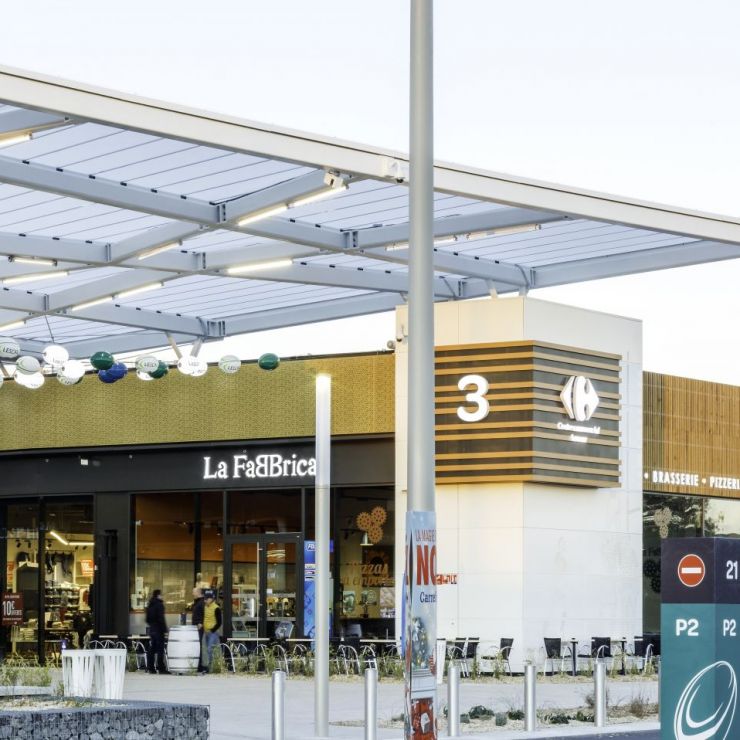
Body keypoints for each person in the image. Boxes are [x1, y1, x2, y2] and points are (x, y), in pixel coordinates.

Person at [145, 589, 170, 674]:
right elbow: (161, 618)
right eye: (161, 595)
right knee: (160, 650)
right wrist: (165, 630)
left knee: (152, 649)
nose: (162, 596)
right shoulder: (159, 604)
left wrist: (152, 625)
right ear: (158, 595)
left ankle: (151, 668)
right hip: (159, 630)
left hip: (152, 630)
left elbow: (147, 619)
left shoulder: (150, 605)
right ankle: (161, 668)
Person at [201, 589, 222, 673]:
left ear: (211, 599)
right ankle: (211, 667)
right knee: (208, 650)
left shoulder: (216, 608)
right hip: (206, 632)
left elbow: (219, 622)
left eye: (206, 599)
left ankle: (210, 668)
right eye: (204, 599)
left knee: (210, 649)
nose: (205, 600)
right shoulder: (205, 607)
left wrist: (212, 630)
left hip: (213, 633)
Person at [191, 586, 206, 674]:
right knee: (197, 646)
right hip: (196, 628)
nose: (192, 593)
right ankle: (198, 665)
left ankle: (200, 666)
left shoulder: (202, 602)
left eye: (194, 592)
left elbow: (205, 614)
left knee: (199, 646)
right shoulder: (197, 602)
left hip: (199, 628)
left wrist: (200, 623)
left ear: (198, 592)